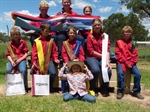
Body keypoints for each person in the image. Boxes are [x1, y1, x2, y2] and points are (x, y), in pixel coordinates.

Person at [115, 26, 144, 100]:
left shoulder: (133, 43)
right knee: (121, 74)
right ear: (122, 33)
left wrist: (131, 63)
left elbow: (135, 54)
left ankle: (136, 91)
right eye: (126, 32)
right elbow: (118, 54)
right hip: (122, 62)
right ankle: (120, 91)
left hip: (131, 63)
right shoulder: (119, 42)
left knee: (138, 74)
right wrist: (126, 62)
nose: (127, 33)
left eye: (129, 32)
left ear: (131, 33)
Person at [86, 18, 112, 97]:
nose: (97, 26)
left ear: (101, 26)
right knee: (96, 70)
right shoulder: (90, 36)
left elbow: (107, 50)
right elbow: (91, 51)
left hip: (102, 58)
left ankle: (104, 88)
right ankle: (92, 88)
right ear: (92, 26)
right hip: (91, 57)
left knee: (108, 71)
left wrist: (107, 61)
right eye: (95, 25)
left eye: (98, 25)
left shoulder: (105, 36)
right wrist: (102, 56)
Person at [31, 22, 60, 92]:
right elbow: (34, 52)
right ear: (41, 30)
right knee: (32, 72)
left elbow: (54, 51)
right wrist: (34, 62)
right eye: (46, 31)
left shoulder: (51, 41)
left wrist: (55, 58)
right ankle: (38, 88)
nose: (48, 33)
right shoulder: (36, 41)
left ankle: (49, 87)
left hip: (49, 60)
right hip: (39, 60)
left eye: (49, 31)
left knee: (53, 73)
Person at [61, 26, 85, 92]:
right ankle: (66, 88)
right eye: (70, 33)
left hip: (77, 62)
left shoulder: (78, 44)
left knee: (80, 70)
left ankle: (79, 88)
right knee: (66, 71)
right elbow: (64, 54)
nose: (72, 34)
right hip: (68, 62)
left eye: (73, 33)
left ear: (76, 34)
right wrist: (67, 62)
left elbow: (81, 54)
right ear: (68, 33)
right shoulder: (65, 43)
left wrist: (80, 61)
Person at [6, 26, 29, 92]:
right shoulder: (9, 44)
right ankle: (11, 87)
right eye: (13, 35)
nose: (15, 36)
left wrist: (19, 60)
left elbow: (26, 53)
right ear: (11, 35)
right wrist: (12, 61)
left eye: (17, 34)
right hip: (12, 60)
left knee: (23, 70)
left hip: (21, 59)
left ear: (19, 35)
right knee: (8, 70)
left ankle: (24, 87)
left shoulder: (23, 42)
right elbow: (8, 55)